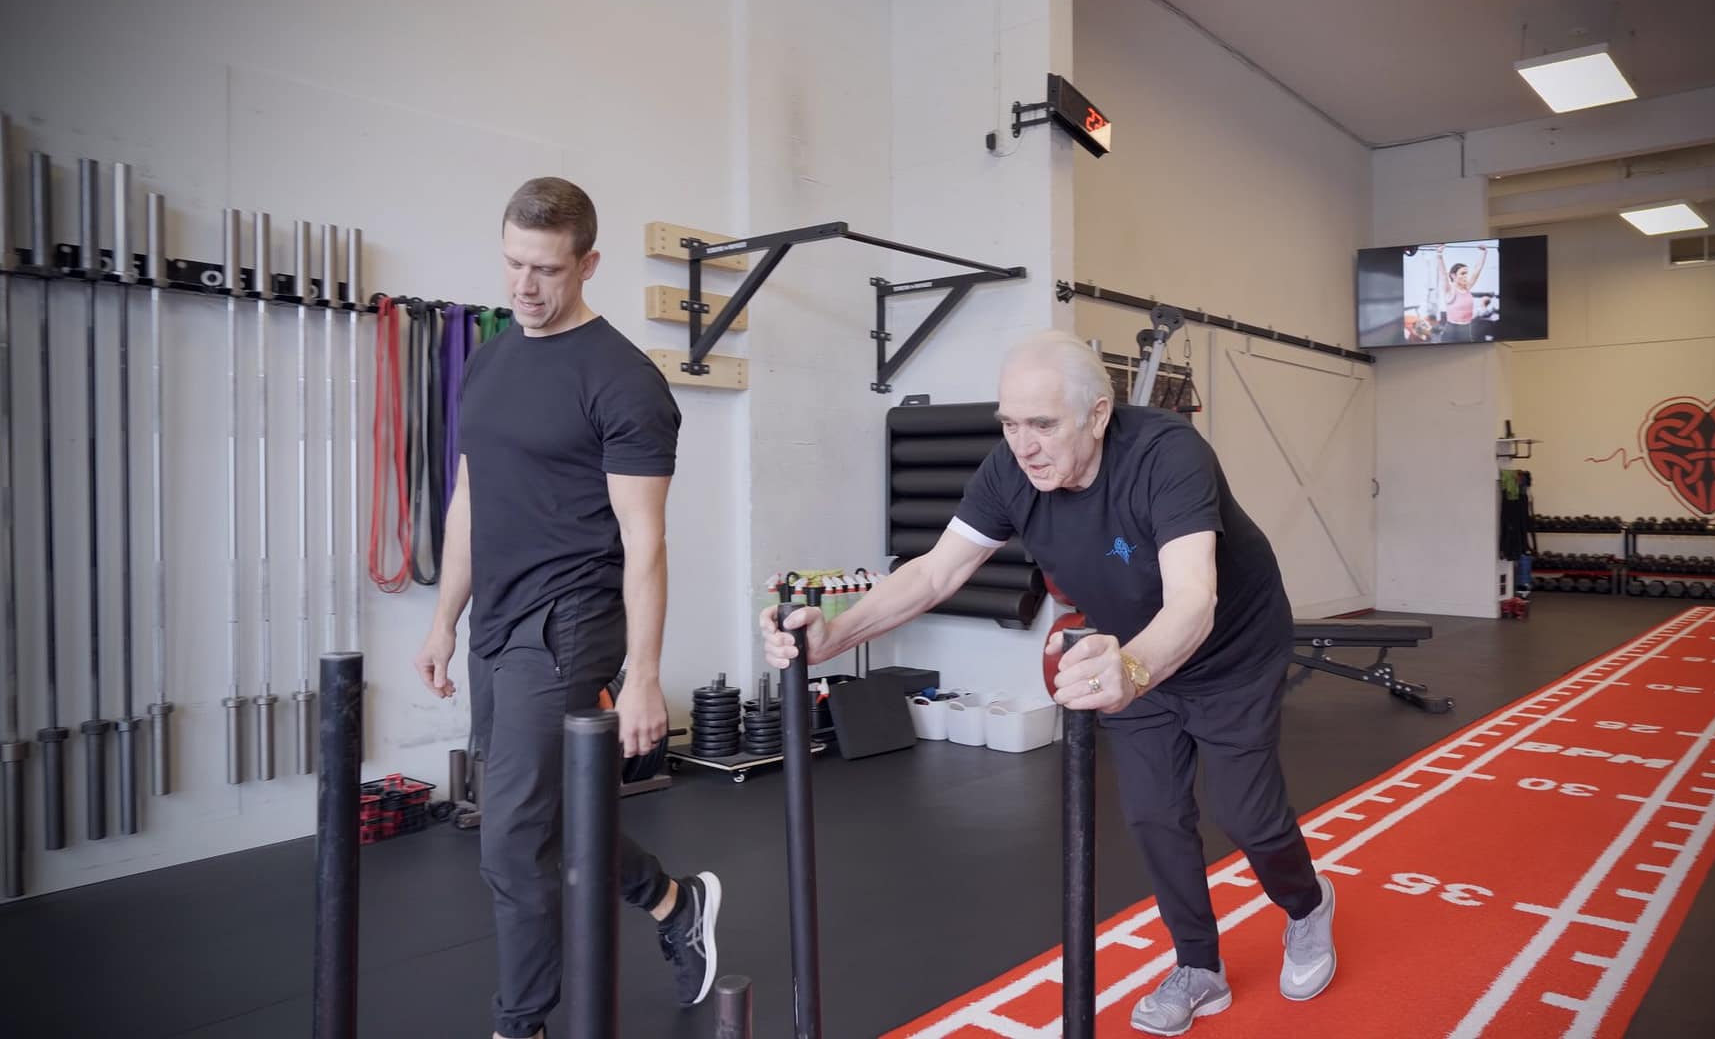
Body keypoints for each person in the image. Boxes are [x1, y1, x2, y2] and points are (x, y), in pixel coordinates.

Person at [760, 330, 1335, 1036]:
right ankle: (1199, 966)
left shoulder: (1167, 455)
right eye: (1009, 423)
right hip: (1131, 653)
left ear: (1097, 415)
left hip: (1229, 655)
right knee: (1154, 817)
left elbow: (1194, 601)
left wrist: (1130, 669)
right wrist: (835, 634)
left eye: (1042, 424)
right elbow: (934, 573)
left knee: (1246, 815)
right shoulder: (1010, 474)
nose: (1023, 444)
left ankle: (1307, 908)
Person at [414, 177, 721, 1039]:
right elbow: (470, 495)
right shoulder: (491, 358)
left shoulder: (624, 382)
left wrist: (648, 678)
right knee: (547, 820)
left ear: (588, 264)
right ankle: (673, 901)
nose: (523, 286)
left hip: (569, 624)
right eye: (513, 263)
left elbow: (646, 539)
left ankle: (522, 1023)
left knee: (511, 839)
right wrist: (444, 619)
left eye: (545, 270)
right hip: (495, 623)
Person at [1436, 242, 1488, 343]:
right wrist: (1439, 255)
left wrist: (1484, 253)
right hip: (1451, 331)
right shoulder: (1449, 290)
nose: (1466, 276)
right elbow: (1443, 274)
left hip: (1466, 329)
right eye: (1463, 273)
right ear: (1453, 275)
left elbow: (1477, 269)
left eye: (1466, 273)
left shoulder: (1467, 287)